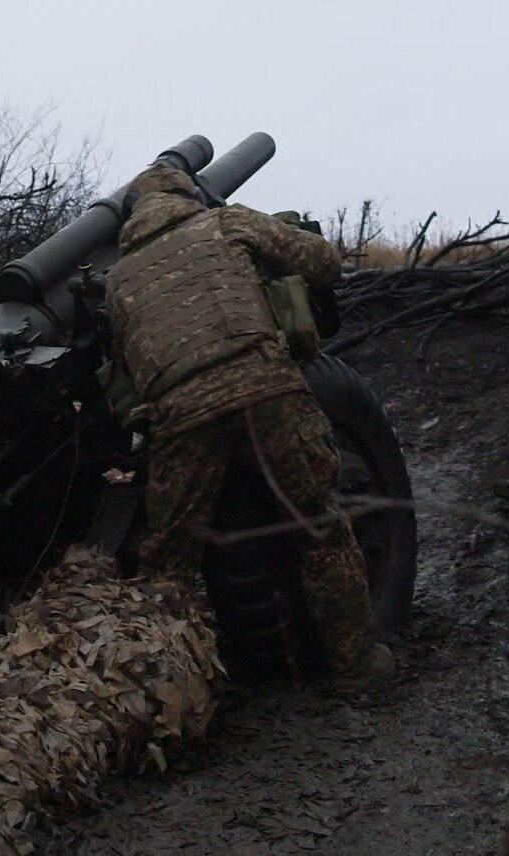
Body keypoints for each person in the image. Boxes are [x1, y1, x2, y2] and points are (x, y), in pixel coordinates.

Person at [104, 163, 392, 691]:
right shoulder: (228, 223)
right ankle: (357, 669)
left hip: (182, 416)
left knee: (167, 569)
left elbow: (126, 367)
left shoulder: (118, 279)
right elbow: (323, 264)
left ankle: (165, 704)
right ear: (188, 195)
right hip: (268, 392)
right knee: (320, 527)